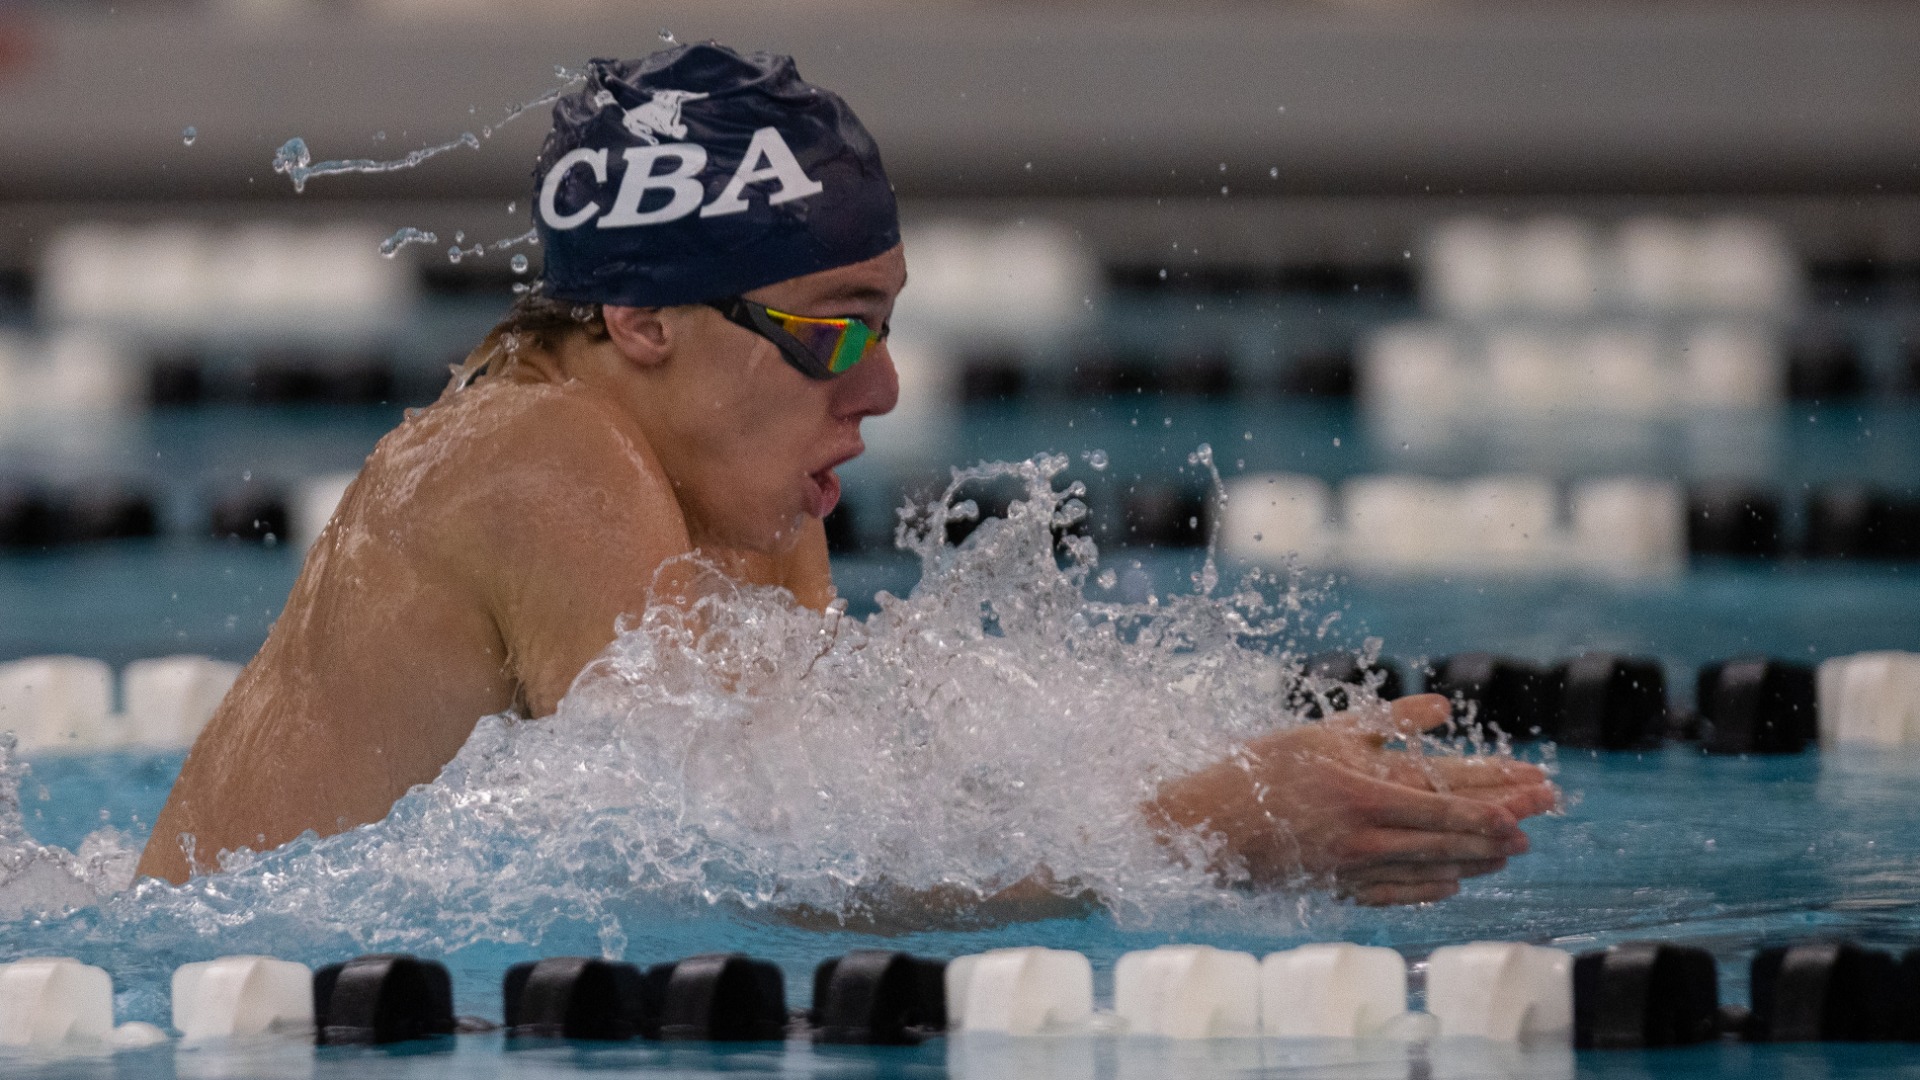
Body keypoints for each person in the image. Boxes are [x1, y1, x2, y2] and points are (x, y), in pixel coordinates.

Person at [137, 44, 1555, 904]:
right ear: (637, 319)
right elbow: (781, 881)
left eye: (885, 324)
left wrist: (1221, 791)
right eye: (830, 331)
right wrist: (1219, 828)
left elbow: (851, 820)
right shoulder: (532, 461)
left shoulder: (724, 483)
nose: (877, 388)